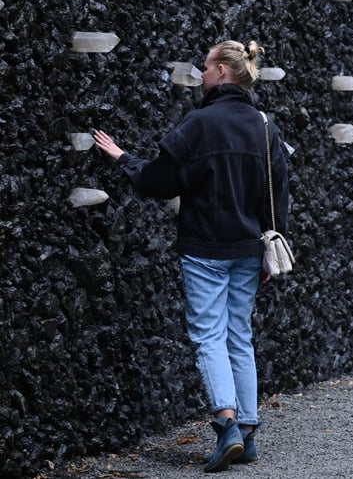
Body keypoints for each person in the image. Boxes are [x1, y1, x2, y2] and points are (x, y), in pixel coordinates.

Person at [93, 39, 290, 473]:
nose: (200, 76)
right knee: (239, 334)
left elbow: (160, 181)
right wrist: (269, 251)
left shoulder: (200, 123)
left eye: (205, 68)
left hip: (205, 249)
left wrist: (124, 158)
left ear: (222, 71)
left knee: (208, 336)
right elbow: (280, 192)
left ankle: (227, 425)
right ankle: (250, 428)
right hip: (248, 248)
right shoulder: (263, 124)